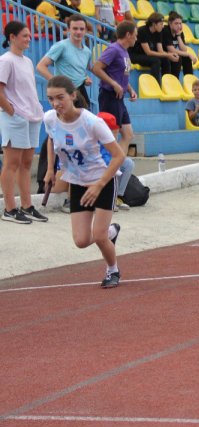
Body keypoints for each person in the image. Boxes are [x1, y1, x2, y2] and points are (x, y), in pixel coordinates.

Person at [43, 75, 125, 288]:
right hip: (77, 182)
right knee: (80, 241)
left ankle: (113, 270)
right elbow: (52, 140)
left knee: (98, 236)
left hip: (102, 181)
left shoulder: (92, 122)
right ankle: (112, 232)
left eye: (60, 97)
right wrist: (51, 169)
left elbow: (119, 156)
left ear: (73, 95)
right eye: (51, 99)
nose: (55, 103)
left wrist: (99, 184)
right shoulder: (50, 118)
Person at [0, 21, 47, 224]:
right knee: (12, 163)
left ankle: (27, 205)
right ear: (12, 37)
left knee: (27, 163)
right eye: (24, 36)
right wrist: (12, 111)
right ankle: (9, 208)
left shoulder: (27, 61)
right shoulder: (6, 60)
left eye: (29, 36)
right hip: (15, 118)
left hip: (32, 117)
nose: (28, 39)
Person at [92, 20, 138, 167]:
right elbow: (97, 68)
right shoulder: (114, 49)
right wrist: (113, 84)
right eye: (135, 36)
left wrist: (130, 89)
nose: (136, 39)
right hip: (109, 96)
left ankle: (118, 165)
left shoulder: (124, 52)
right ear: (128, 34)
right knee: (112, 134)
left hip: (119, 98)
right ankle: (108, 167)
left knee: (128, 134)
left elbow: (120, 74)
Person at [36, 14, 93, 109]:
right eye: (75, 28)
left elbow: (78, 69)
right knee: (66, 122)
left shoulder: (87, 51)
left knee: (84, 121)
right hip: (65, 93)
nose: (78, 32)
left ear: (86, 30)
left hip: (81, 92)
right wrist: (58, 85)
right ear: (68, 29)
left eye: (81, 29)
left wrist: (85, 78)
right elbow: (40, 66)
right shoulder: (61, 46)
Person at [128, 12, 176, 83]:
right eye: (161, 24)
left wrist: (169, 55)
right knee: (156, 61)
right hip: (135, 55)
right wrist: (168, 54)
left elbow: (160, 51)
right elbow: (148, 52)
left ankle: (167, 84)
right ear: (154, 24)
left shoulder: (159, 32)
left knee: (165, 60)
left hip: (145, 55)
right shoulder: (142, 31)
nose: (163, 26)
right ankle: (156, 85)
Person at [162, 11, 197, 79]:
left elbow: (184, 49)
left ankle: (190, 80)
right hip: (164, 55)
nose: (179, 26)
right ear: (170, 23)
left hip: (172, 54)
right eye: (176, 23)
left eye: (180, 23)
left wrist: (178, 36)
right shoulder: (166, 30)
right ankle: (175, 81)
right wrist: (189, 54)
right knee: (178, 58)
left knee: (186, 58)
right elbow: (171, 49)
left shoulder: (179, 32)